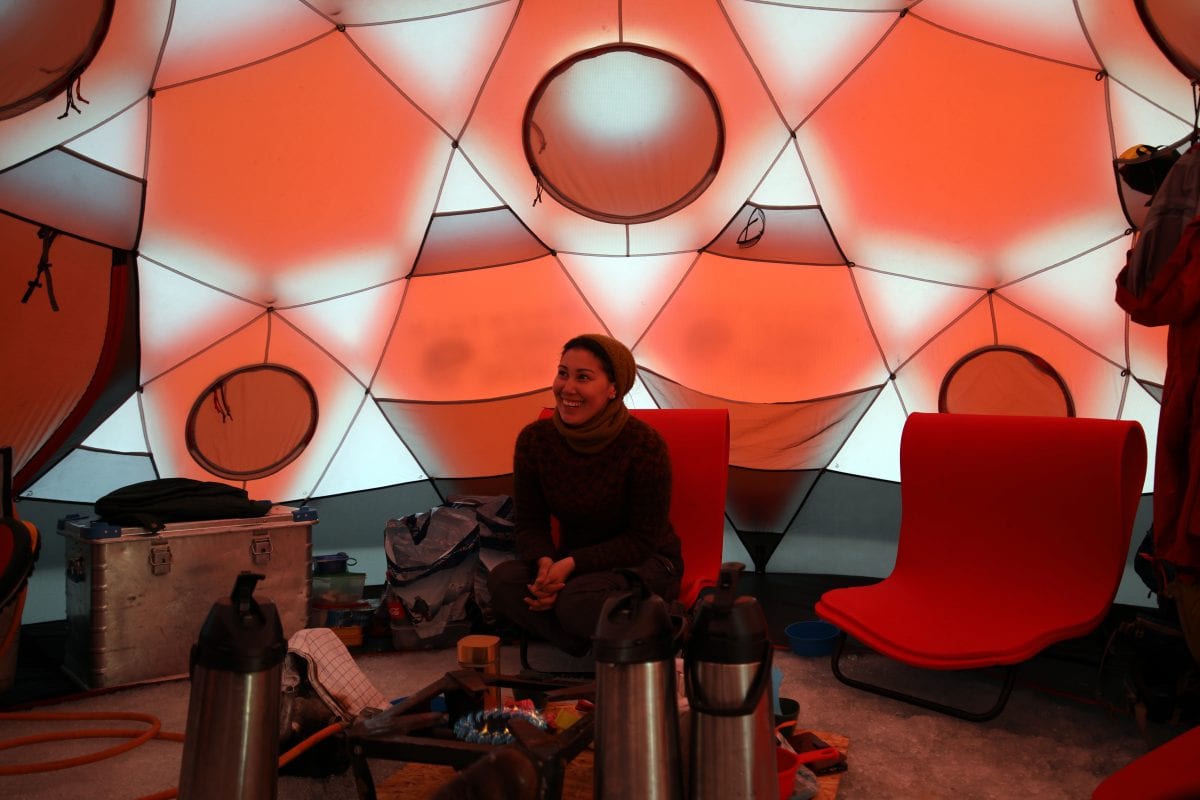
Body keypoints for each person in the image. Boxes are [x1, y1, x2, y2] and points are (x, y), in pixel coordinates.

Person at [487, 333, 682, 657]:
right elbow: (530, 524)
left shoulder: (644, 445)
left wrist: (570, 565)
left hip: (647, 561)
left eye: (583, 377)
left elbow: (641, 540)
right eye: (563, 373)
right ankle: (582, 637)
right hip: (573, 566)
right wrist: (545, 566)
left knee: (578, 600)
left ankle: (662, 622)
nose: (568, 388)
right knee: (503, 581)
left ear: (613, 388)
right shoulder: (536, 441)